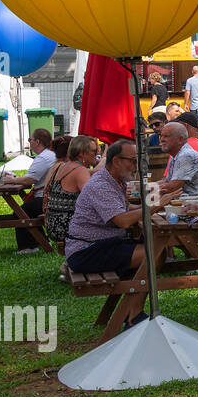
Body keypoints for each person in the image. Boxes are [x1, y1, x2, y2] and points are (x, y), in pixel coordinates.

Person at [64, 139, 149, 327]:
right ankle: (133, 315)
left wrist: (154, 205)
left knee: (153, 250)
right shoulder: (101, 185)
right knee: (153, 254)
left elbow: (126, 208)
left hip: (95, 246)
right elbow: (123, 220)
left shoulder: (113, 181)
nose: (136, 166)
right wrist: (154, 206)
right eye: (132, 161)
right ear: (117, 161)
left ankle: (132, 312)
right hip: (86, 251)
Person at [5, 128, 57, 254]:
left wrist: (11, 180)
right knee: (27, 211)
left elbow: (30, 180)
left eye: (30, 139)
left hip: (46, 199)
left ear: (37, 141)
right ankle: (41, 241)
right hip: (52, 197)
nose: (29, 142)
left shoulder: (43, 157)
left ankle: (28, 247)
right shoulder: (49, 155)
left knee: (20, 213)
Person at [42, 135, 97, 247]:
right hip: (66, 227)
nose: (96, 155)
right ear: (82, 153)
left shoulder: (63, 166)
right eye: (94, 151)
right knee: (117, 233)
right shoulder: (80, 170)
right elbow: (94, 200)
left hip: (52, 225)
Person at [156, 120, 198, 199]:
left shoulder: (186, 155)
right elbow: (166, 181)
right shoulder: (175, 155)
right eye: (161, 136)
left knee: (150, 204)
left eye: (166, 136)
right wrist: (143, 187)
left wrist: (144, 191)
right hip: (191, 203)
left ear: (180, 139)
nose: (161, 140)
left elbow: (171, 188)